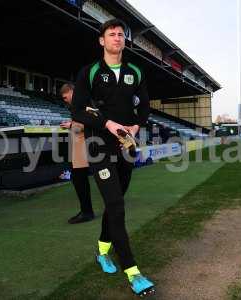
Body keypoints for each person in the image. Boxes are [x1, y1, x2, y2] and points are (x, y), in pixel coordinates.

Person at [72, 19, 155, 297]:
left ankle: (102, 251)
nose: (117, 38)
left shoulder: (135, 72)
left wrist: (134, 127)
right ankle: (133, 272)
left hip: (127, 146)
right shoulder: (90, 72)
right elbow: (78, 111)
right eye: (112, 34)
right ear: (102, 41)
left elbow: (144, 107)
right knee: (117, 205)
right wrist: (107, 124)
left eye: (121, 34)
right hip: (99, 145)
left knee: (114, 203)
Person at [60, 83, 95, 224]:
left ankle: (87, 212)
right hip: (81, 149)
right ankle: (86, 211)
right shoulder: (79, 104)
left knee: (80, 180)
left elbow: (92, 122)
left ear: (72, 92)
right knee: (79, 180)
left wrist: (71, 125)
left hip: (85, 149)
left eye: (65, 97)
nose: (65, 100)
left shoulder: (84, 102)